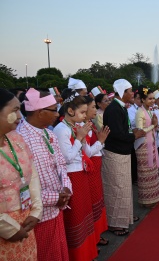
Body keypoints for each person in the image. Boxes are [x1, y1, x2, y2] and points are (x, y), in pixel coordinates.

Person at [17, 88, 72, 261]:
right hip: (38, 217)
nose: (57, 115)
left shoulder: (48, 133)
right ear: (40, 112)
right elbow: (21, 185)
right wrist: (54, 198)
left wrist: (66, 188)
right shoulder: (20, 139)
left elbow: (61, 164)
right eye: (54, 110)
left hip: (57, 208)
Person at [53, 89, 98, 261]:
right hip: (72, 176)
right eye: (82, 112)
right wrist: (79, 139)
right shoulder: (61, 130)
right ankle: (78, 255)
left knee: (84, 214)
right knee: (76, 218)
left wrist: (85, 138)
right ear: (70, 111)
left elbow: (82, 152)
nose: (84, 116)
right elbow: (66, 158)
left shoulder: (73, 127)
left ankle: (87, 253)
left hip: (81, 173)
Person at [0, 88, 43, 260]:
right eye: (15, 110)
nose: (20, 117)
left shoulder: (15, 139)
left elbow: (31, 175)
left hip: (25, 224)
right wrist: (9, 229)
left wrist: (36, 211)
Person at [102, 79, 145, 236]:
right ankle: (114, 223)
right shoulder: (113, 109)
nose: (132, 93)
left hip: (123, 152)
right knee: (116, 189)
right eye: (129, 90)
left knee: (124, 188)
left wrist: (132, 134)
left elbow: (123, 130)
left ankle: (125, 216)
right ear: (122, 93)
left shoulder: (120, 107)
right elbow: (117, 134)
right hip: (115, 153)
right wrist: (134, 135)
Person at [82, 96, 110, 248]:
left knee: (97, 201)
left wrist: (100, 141)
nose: (95, 110)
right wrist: (101, 141)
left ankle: (96, 236)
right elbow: (88, 152)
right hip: (90, 168)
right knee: (93, 203)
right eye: (92, 107)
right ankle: (93, 239)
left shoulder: (89, 124)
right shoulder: (83, 127)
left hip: (95, 167)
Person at [135, 86, 159, 207]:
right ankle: (146, 200)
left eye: (153, 99)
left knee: (152, 171)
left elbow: (151, 127)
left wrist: (154, 125)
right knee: (145, 173)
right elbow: (140, 131)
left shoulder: (149, 110)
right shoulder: (140, 111)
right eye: (150, 99)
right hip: (143, 145)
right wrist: (153, 125)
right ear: (143, 100)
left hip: (150, 144)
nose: (152, 101)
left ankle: (152, 198)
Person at [127, 90, 142, 185]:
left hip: (143, 137)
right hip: (135, 137)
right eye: (138, 98)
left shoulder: (144, 109)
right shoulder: (131, 109)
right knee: (135, 159)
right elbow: (133, 123)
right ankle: (135, 178)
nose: (141, 100)